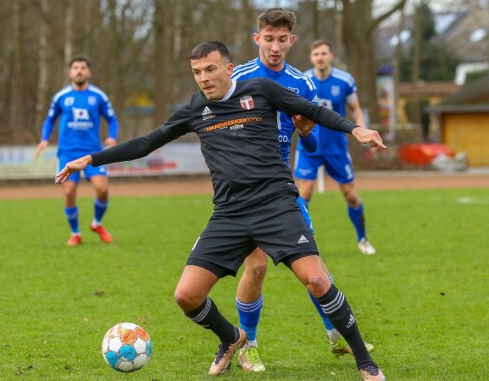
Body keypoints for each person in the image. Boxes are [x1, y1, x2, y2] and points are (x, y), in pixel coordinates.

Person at [56, 41, 387, 381]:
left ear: (229, 69)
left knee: (317, 279)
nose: (203, 78)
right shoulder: (194, 109)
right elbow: (146, 142)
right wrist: (92, 158)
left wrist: (355, 128)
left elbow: (313, 110)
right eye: (197, 72)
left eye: (210, 69)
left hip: (276, 205)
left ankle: (364, 361)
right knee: (186, 295)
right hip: (229, 214)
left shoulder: (260, 89)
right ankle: (231, 338)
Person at [230, 8, 372, 373]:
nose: (275, 46)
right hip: (246, 191)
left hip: (282, 188)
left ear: (291, 41)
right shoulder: (237, 78)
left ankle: (336, 336)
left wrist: (306, 133)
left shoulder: (302, 84)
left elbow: (310, 146)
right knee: (257, 266)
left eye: (282, 39)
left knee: (314, 270)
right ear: (256, 38)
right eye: (268, 38)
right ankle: (248, 346)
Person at [294, 40, 377, 256]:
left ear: (331, 56)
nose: (320, 57)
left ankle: (362, 239)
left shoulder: (344, 80)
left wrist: (361, 129)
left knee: (350, 195)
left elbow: (355, 108)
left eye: (324, 53)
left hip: (336, 149)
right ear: (311, 57)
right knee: (304, 192)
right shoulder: (303, 80)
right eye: (316, 54)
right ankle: (302, 246)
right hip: (309, 146)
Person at [35, 56, 119, 246]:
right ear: (70, 72)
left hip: (92, 152)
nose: (79, 71)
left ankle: (97, 224)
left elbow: (112, 120)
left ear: (89, 72)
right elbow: (49, 120)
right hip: (68, 152)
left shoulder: (98, 96)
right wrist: (44, 139)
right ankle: (75, 233)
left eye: (82, 68)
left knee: (102, 189)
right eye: (75, 68)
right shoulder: (61, 97)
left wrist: (112, 136)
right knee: (69, 192)